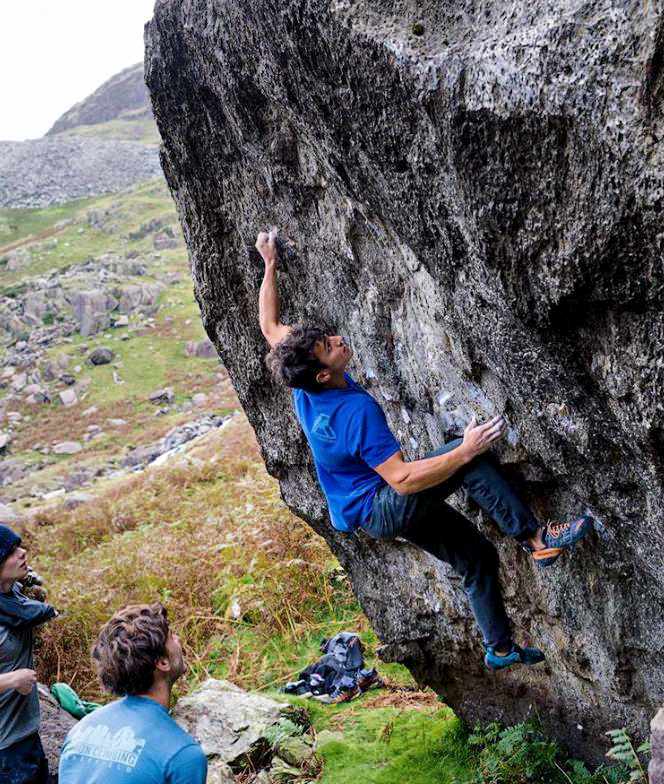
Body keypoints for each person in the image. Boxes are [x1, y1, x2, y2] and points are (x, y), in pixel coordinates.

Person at [255, 229, 593, 670]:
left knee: (475, 556)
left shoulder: (302, 387)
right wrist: (466, 450)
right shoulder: (355, 411)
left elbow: (269, 327)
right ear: (322, 374)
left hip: (367, 513)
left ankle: (500, 648)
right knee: (468, 456)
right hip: (384, 502)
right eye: (328, 347)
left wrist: (270, 265)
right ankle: (535, 538)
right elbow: (403, 478)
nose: (337, 340)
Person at [59, 603, 206, 784]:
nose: (178, 639)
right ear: (162, 662)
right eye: (171, 636)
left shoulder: (80, 730)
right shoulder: (183, 755)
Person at [0, 523, 56, 784]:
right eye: (12, 551)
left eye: (19, 545)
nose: (22, 552)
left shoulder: (13, 596)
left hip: (28, 734)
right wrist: (12, 680)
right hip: (5, 751)